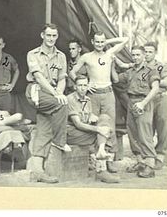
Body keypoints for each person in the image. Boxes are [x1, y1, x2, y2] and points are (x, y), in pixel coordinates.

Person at [70, 31, 129, 173]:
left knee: (110, 125)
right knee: (93, 123)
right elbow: (72, 72)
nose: (100, 44)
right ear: (92, 42)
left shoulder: (109, 54)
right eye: (97, 41)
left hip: (108, 93)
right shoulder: (86, 57)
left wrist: (107, 42)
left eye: (102, 42)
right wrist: (83, 84)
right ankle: (95, 160)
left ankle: (109, 160)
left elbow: (125, 40)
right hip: (93, 94)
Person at [25, 23, 69, 183]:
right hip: (36, 91)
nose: (51, 39)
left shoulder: (61, 56)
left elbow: (62, 78)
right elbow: (39, 78)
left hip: (52, 94)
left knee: (44, 127)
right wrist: (56, 94)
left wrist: (60, 92)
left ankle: (37, 171)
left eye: (54, 36)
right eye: (48, 35)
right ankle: (60, 143)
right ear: (42, 36)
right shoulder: (33, 54)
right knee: (62, 105)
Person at [66, 75, 120, 183]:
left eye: (85, 85)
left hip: (82, 132)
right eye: (80, 85)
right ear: (75, 87)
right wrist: (98, 129)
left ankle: (100, 152)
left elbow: (88, 118)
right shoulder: (70, 99)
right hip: (70, 133)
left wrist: (93, 118)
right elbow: (78, 124)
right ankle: (101, 171)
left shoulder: (87, 100)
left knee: (105, 119)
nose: (82, 88)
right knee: (102, 133)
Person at [119, 46, 160, 178]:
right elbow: (116, 79)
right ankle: (140, 162)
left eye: (138, 55)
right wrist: (111, 58)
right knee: (132, 133)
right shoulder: (130, 72)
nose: (136, 57)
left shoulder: (150, 71)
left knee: (145, 134)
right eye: (134, 55)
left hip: (144, 103)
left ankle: (150, 166)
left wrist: (143, 103)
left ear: (143, 56)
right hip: (131, 102)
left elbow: (155, 89)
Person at [144, 42, 167, 170]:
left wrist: (154, 80)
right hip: (146, 99)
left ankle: (160, 154)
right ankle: (149, 156)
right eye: (146, 51)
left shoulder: (160, 66)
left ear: (155, 53)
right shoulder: (140, 66)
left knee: (162, 124)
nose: (147, 54)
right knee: (147, 127)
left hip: (159, 98)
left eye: (150, 52)